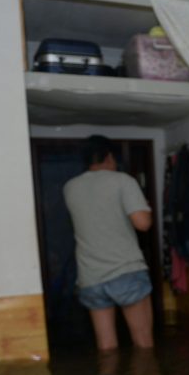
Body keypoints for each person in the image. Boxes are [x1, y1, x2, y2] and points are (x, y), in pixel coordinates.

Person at [64, 135, 154, 350]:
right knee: (143, 343)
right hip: (125, 271)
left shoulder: (70, 187)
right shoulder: (122, 181)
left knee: (106, 348)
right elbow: (142, 223)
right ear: (110, 156)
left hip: (90, 277)